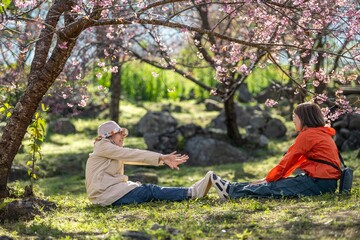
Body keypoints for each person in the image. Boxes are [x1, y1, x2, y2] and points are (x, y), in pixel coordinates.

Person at [210, 102, 342, 200]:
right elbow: (295, 161)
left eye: (295, 116)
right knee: (277, 183)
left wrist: (269, 179)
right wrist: (271, 178)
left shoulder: (308, 135)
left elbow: (288, 159)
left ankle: (232, 192)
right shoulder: (320, 133)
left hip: (319, 183)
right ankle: (230, 187)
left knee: (272, 188)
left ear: (304, 118)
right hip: (323, 182)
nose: (293, 120)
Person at [85, 121, 212, 206]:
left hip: (109, 193)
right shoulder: (104, 146)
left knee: (147, 190)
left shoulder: (109, 150)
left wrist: (161, 159)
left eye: (123, 134)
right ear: (109, 136)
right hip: (106, 196)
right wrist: (161, 156)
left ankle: (190, 192)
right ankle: (192, 193)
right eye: (119, 133)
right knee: (149, 190)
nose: (123, 136)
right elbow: (132, 154)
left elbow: (135, 158)